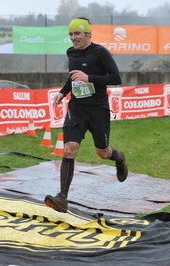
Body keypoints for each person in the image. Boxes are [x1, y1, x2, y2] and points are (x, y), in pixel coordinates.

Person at [44, 17, 128, 213]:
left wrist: (89, 78)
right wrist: (63, 92)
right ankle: (62, 198)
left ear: (88, 34)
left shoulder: (100, 52)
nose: (74, 38)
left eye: (77, 34)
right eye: (71, 34)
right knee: (69, 149)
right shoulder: (71, 53)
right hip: (77, 109)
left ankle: (119, 159)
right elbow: (73, 76)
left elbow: (116, 77)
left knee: (102, 152)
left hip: (98, 109)